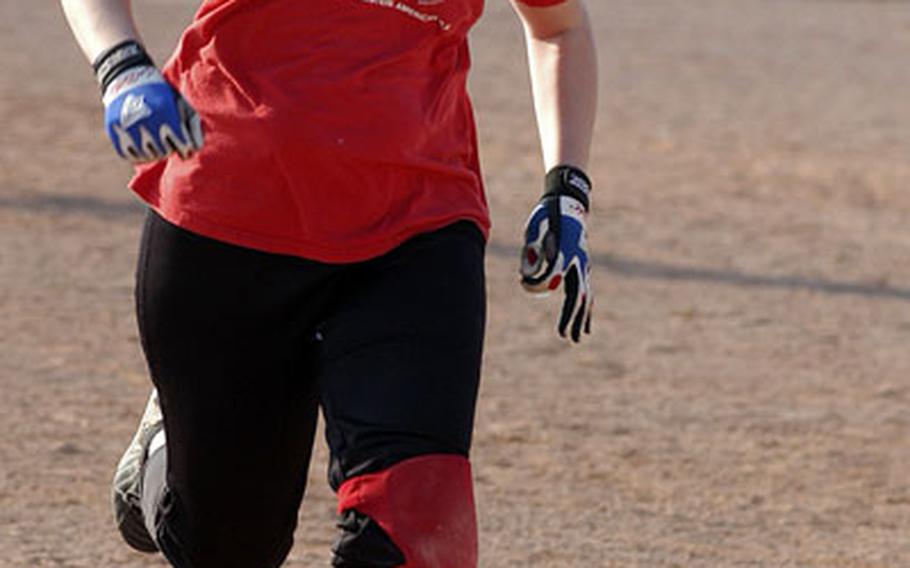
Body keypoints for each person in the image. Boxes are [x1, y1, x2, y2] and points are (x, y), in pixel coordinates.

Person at [60, 0, 597, 566]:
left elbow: (559, 26)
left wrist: (568, 188)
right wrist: (122, 66)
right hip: (228, 213)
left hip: (417, 229)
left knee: (422, 531)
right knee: (232, 545)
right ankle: (166, 458)